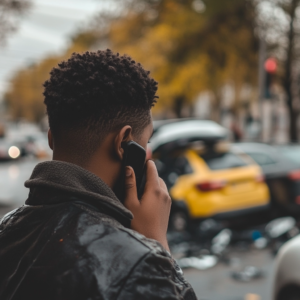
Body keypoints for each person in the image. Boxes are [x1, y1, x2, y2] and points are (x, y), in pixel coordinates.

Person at [0, 49, 197, 300]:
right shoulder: (140, 266)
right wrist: (158, 248)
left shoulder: (7, 229)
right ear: (124, 142)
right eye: (145, 144)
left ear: (51, 138)